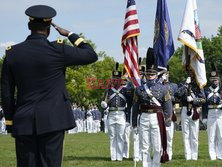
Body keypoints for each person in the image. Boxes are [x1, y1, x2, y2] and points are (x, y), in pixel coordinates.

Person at [1, 5, 98, 167]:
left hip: (24, 121)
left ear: (29, 26)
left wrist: (10, 121)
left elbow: (6, 92)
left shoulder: (12, 54)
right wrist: (71, 35)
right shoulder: (58, 50)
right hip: (53, 120)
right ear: (49, 28)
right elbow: (90, 54)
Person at [132, 48, 172, 167]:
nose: (150, 76)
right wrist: (134, 123)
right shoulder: (139, 89)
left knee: (157, 145)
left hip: (157, 118)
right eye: (148, 74)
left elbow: (168, 107)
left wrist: (168, 122)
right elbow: (135, 107)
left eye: (152, 74)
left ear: (156, 75)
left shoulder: (164, 89)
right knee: (144, 146)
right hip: (144, 117)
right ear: (145, 75)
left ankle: (155, 165)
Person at [101, 62, 130, 161]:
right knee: (112, 136)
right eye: (114, 78)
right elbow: (104, 102)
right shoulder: (108, 89)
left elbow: (130, 102)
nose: (116, 80)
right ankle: (113, 157)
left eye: (118, 79)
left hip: (121, 114)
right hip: (111, 114)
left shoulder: (125, 90)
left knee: (121, 136)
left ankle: (120, 156)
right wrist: (104, 105)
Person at [202, 63, 222, 160]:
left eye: (216, 79)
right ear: (210, 80)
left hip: (220, 113)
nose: (214, 81)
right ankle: (212, 156)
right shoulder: (206, 90)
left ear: (219, 80)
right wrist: (204, 117)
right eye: (213, 80)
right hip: (210, 113)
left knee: (221, 136)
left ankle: (220, 155)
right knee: (211, 136)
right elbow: (204, 105)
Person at [175, 71, 205, 160]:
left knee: (195, 135)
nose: (190, 76)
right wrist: (185, 85)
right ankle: (187, 156)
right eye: (189, 74)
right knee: (185, 134)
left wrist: (194, 100)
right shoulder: (183, 85)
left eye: (192, 75)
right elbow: (177, 94)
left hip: (194, 110)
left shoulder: (199, 86)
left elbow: (203, 99)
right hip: (184, 109)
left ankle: (194, 155)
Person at [157, 66, 178, 161]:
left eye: (166, 73)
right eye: (163, 74)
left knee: (169, 136)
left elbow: (176, 98)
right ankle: (160, 154)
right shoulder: (157, 85)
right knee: (159, 135)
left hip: (169, 112)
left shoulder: (173, 86)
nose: (165, 75)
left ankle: (169, 154)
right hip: (159, 112)